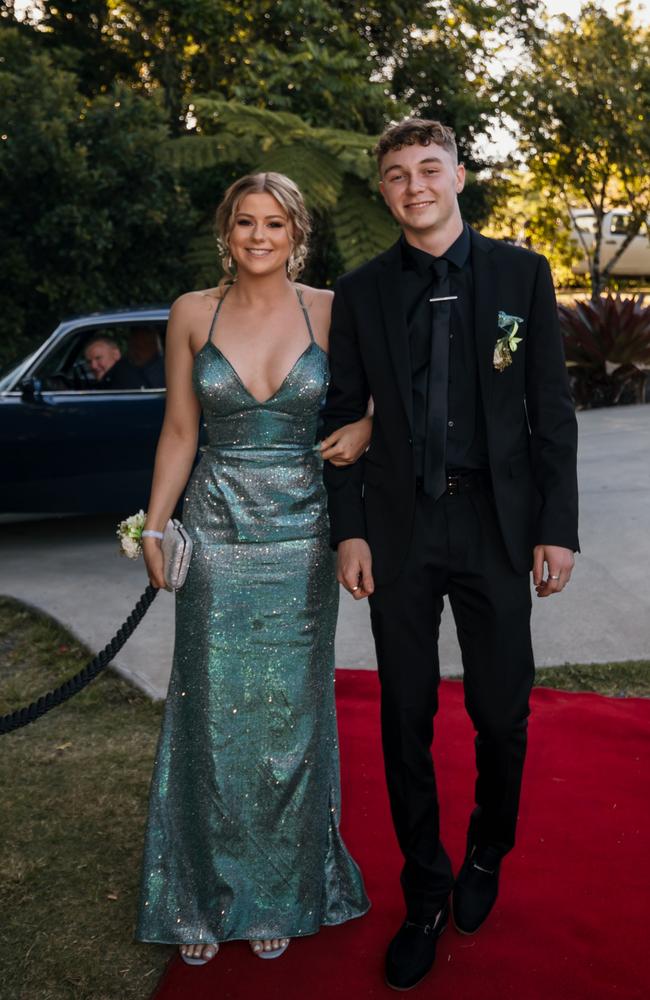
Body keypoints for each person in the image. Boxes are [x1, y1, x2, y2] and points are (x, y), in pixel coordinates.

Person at [322, 118, 579, 992]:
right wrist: (348, 529)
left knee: (503, 715)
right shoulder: (359, 294)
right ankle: (425, 886)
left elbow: (551, 411)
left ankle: (485, 849)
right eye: (396, 175)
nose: (414, 186)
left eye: (429, 169)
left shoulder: (523, 276)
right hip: (399, 527)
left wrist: (559, 527)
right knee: (404, 720)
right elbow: (342, 418)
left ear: (459, 175)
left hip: (498, 525)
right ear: (385, 191)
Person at [137, 172, 371, 965]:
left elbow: (380, 401)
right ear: (226, 232)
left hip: (304, 538)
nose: (260, 236)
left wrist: (368, 424)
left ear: (296, 233)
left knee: (288, 719)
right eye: (246, 223)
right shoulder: (191, 313)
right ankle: (201, 894)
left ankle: (278, 886)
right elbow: (178, 429)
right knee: (209, 714)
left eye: (275, 224)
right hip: (215, 534)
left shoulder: (333, 312)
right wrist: (155, 527)